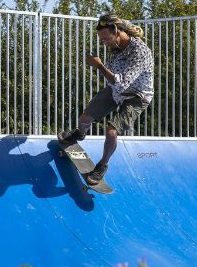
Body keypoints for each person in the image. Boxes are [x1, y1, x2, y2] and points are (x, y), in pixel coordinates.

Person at [58, 13, 154, 185]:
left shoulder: (140, 52)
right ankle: (79, 134)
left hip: (137, 96)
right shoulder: (116, 48)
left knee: (111, 131)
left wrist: (99, 65)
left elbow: (121, 83)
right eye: (102, 40)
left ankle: (102, 165)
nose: (105, 43)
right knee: (84, 118)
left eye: (106, 39)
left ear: (116, 31)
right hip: (115, 89)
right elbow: (115, 82)